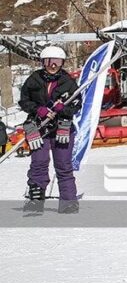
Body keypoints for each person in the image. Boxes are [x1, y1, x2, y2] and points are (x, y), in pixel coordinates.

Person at [19, 46, 81, 214]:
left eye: (57, 62)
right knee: (38, 162)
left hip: (62, 128)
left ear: (62, 63)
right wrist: (37, 109)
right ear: (42, 62)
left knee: (63, 164)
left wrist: (63, 109)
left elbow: (77, 105)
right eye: (48, 62)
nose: (52, 66)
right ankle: (36, 201)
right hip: (39, 127)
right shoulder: (34, 79)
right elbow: (23, 101)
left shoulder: (68, 82)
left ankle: (68, 201)